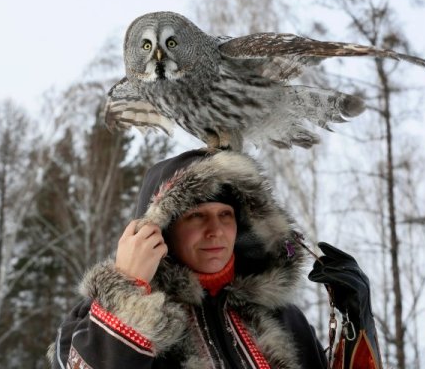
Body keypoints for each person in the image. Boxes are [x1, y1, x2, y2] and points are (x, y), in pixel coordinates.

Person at [50, 149, 382, 368]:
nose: (216, 230)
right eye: (196, 216)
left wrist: (355, 321)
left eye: (226, 214)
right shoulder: (92, 324)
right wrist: (127, 293)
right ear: (161, 229)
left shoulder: (285, 320)